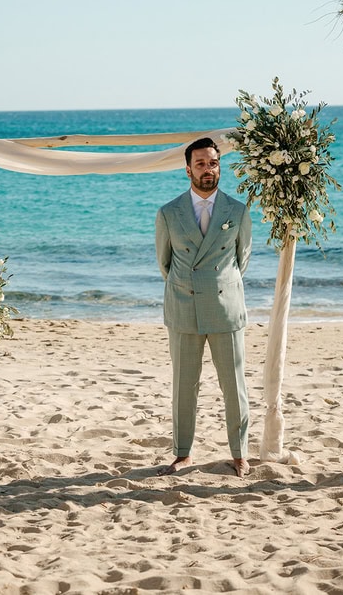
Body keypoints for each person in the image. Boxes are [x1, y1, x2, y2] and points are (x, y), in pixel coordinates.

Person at [155, 136, 252, 478]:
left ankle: (240, 454)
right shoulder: (168, 213)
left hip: (226, 308)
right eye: (200, 164)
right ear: (187, 170)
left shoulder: (238, 211)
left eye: (213, 163)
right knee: (184, 386)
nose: (208, 170)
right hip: (183, 307)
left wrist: (218, 285)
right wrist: (188, 287)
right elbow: (165, 263)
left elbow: (243, 260)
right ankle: (183, 454)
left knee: (234, 385)